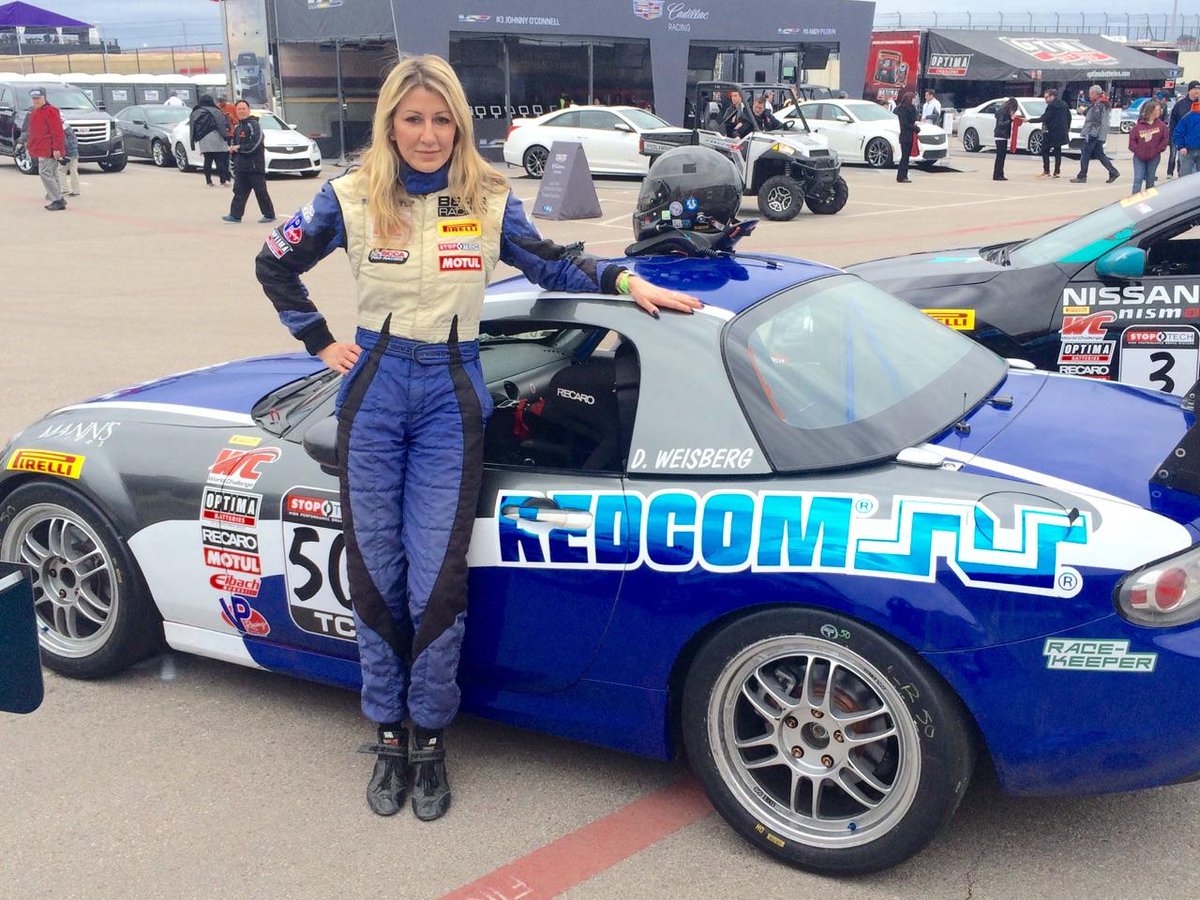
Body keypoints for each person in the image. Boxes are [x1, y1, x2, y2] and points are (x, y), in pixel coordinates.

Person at [254, 54, 700, 822]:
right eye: (412, 118)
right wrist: (319, 341)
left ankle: (428, 737)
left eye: (441, 118)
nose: (428, 135)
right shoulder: (349, 197)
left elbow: (555, 267)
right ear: (389, 121)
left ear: (459, 122)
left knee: (438, 578)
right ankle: (387, 732)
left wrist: (628, 284)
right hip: (373, 389)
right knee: (374, 570)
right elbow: (273, 264)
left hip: (450, 397)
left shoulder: (488, 198)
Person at [223, 99, 275, 223]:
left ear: (248, 110)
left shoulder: (254, 125)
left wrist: (239, 148)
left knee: (260, 191)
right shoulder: (238, 127)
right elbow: (235, 145)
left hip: (254, 166)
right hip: (241, 167)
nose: (241, 111)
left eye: (243, 109)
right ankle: (235, 215)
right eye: (239, 109)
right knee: (239, 191)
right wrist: (232, 150)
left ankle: (269, 214)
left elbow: (255, 144)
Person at [26, 88, 66, 211]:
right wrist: (29, 145)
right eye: (33, 98)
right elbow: (32, 132)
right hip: (40, 148)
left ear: (44, 97)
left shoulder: (51, 111)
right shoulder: (34, 113)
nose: (35, 101)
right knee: (52, 173)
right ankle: (57, 197)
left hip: (49, 149)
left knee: (44, 173)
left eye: (38, 98)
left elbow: (57, 131)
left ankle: (57, 199)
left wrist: (57, 148)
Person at [1071, 85, 1120, 184]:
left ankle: (1082, 175)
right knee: (1100, 154)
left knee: (1085, 154)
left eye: (1090, 93)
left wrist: (1091, 134)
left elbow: (1096, 121)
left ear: (1095, 93)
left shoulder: (1098, 105)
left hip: (1093, 134)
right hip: (1099, 134)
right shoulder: (1102, 103)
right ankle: (1113, 171)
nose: (1089, 95)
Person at [188, 95, 230, 188]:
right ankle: (223, 181)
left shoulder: (196, 112)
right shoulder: (216, 111)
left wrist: (194, 140)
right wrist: (226, 137)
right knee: (220, 161)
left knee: (207, 160)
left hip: (203, 139)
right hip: (217, 137)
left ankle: (208, 181)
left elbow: (192, 127)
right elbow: (222, 125)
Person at [1129, 100, 1169, 192]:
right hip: (1139, 157)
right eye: (1156, 110)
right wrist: (1138, 151)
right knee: (1138, 179)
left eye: (1159, 110)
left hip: (1154, 157)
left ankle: (1149, 201)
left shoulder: (1162, 126)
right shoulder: (1138, 126)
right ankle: (1134, 199)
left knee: (1150, 180)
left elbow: (1164, 140)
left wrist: (1157, 150)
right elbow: (1132, 141)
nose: (1158, 112)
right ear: (1150, 111)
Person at [1030, 88, 1070, 178]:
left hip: (1051, 132)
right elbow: (1069, 117)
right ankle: (1057, 172)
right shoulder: (1064, 104)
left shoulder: (1051, 106)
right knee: (1057, 151)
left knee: (1044, 150)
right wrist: (1067, 128)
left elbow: (1044, 118)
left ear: (1052, 96)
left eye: (1046, 97)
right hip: (1061, 132)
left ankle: (1046, 170)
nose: (1045, 99)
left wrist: (1029, 120)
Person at [1168, 81, 1200, 178]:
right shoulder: (1180, 105)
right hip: (1185, 147)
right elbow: (1173, 123)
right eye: (1195, 89)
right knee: (1185, 174)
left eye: (1199, 89)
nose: (1197, 91)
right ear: (1189, 90)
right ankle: (1171, 172)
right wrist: (1177, 143)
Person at [895, 91, 920, 183]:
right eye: (913, 99)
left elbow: (914, 118)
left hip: (910, 135)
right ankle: (901, 176)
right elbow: (905, 123)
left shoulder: (912, 108)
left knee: (907, 157)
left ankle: (904, 175)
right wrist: (915, 128)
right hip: (905, 135)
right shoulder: (902, 109)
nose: (914, 100)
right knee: (904, 157)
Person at [993, 97, 1018, 181]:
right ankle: (997, 174)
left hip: (1002, 136)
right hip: (1000, 136)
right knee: (1000, 156)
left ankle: (1000, 173)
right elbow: (1001, 124)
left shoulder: (1003, 112)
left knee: (1001, 156)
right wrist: (1010, 120)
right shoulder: (1002, 112)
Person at [1175, 98, 1200, 178]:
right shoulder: (1187, 117)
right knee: (1184, 177)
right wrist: (1181, 146)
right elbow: (1178, 133)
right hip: (1188, 151)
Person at [57, 123, 79, 197]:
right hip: (75, 153)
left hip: (67, 153)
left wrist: (65, 155)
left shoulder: (60, 129)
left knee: (61, 170)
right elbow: (74, 141)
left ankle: (64, 189)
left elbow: (65, 143)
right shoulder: (69, 128)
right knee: (74, 171)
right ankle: (76, 190)